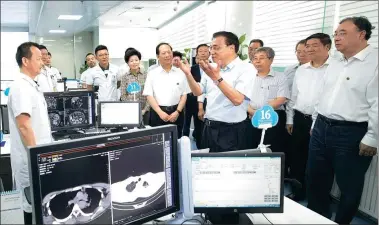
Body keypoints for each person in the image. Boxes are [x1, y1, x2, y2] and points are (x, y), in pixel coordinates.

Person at [307, 16, 377, 224]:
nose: (336, 37)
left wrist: (373, 137)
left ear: (361, 34)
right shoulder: (335, 62)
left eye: (343, 33)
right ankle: (317, 219)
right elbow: (323, 95)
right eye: (336, 33)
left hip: (352, 133)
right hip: (321, 128)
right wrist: (314, 123)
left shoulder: (374, 62)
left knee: (350, 186)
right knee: (316, 181)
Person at [174, 31, 256, 152]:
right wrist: (188, 73)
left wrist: (216, 77)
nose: (211, 52)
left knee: (228, 168)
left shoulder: (246, 69)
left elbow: (237, 99)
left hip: (231, 131)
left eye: (216, 48)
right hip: (208, 127)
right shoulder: (211, 67)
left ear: (231, 48)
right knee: (208, 167)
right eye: (211, 48)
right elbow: (198, 91)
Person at [8, 42, 53, 224]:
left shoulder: (32, 85)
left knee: (40, 208)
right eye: (38, 59)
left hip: (39, 157)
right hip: (31, 162)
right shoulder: (20, 87)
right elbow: (24, 126)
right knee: (31, 211)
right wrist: (37, 159)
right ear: (25, 61)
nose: (42, 62)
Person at [285, 33, 332, 202]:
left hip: (320, 121)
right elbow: (294, 96)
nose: (309, 49)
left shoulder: (334, 68)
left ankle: (316, 197)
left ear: (327, 47)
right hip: (299, 118)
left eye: (314, 46)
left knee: (317, 162)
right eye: (307, 46)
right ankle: (298, 192)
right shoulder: (301, 70)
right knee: (297, 157)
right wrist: (290, 119)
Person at [247, 47, 290, 156]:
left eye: (261, 58)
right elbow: (242, 98)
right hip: (251, 116)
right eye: (254, 58)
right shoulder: (248, 77)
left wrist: (259, 113)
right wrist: (252, 111)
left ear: (271, 60)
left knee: (272, 149)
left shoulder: (280, 77)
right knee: (252, 148)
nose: (257, 61)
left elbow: (281, 98)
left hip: (273, 118)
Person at [143, 43, 189, 138]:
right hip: (158, 113)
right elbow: (149, 95)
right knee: (158, 142)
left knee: (177, 140)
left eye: (169, 52)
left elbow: (184, 94)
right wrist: (160, 112)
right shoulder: (152, 74)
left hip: (177, 113)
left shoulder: (180, 72)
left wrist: (177, 111)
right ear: (157, 56)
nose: (167, 55)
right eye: (164, 53)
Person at [182, 44, 210, 148]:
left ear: (209, 53)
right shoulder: (191, 69)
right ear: (197, 53)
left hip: (208, 101)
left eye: (205, 51)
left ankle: (205, 146)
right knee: (193, 125)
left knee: (204, 126)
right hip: (192, 100)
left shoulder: (215, 67)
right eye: (201, 51)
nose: (203, 53)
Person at [120, 48, 150, 125]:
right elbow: (123, 96)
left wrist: (145, 109)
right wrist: (131, 108)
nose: (134, 62)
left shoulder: (146, 75)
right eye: (131, 61)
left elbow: (150, 94)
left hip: (145, 111)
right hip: (130, 112)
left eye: (136, 60)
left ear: (139, 61)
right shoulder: (124, 77)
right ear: (127, 63)